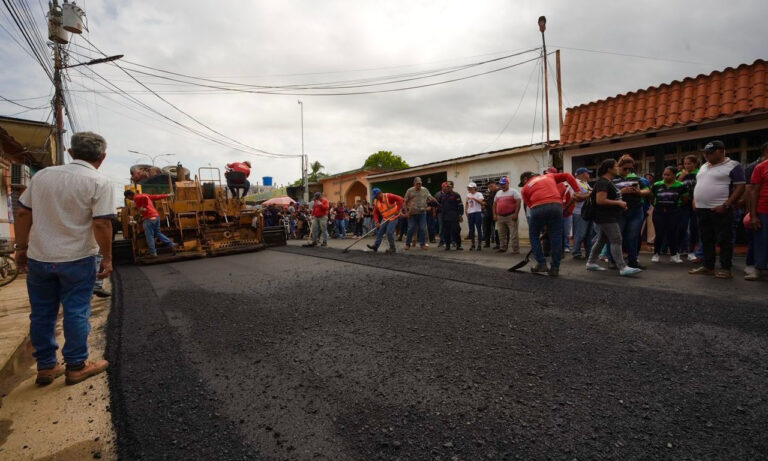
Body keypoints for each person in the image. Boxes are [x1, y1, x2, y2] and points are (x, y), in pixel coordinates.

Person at [13, 132, 113, 386]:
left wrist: (21, 248)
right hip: (77, 258)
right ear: (102, 157)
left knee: (41, 314)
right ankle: (77, 366)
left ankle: (46, 367)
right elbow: (101, 223)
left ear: (70, 152)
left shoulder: (43, 176)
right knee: (76, 311)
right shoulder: (99, 181)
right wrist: (108, 258)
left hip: (39, 257)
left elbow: (23, 213)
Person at [689, 140, 746, 279]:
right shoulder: (704, 166)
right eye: (705, 153)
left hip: (720, 208)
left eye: (709, 153)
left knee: (724, 239)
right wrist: (695, 200)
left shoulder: (733, 165)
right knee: (706, 238)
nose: (706, 156)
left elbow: (740, 187)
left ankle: (726, 268)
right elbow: (700, 185)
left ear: (721, 151)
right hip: (702, 209)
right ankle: (708, 266)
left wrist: (727, 205)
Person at [584, 159, 643, 276]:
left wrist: (620, 204)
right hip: (605, 217)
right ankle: (622, 267)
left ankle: (591, 263)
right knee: (616, 239)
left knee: (602, 240)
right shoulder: (603, 182)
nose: (618, 168)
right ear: (609, 169)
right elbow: (600, 200)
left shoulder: (608, 182)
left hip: (608, 216)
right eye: (616, 166)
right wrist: (619, 203)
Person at [519, 170, 581, 276]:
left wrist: (543, 222)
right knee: (556, 235)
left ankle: (541, 263)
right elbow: (567, 175)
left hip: (538, 207)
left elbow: (530, 205)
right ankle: (555, 268)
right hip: (557, 206)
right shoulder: (549, 176)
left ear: (525, 179)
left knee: (534, 235)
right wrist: (577, 190)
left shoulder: (525, 189)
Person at [613, 155, 651, 269]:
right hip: (619, 211)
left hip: (636, 209)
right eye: (625, 168)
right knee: (617, 237)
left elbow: (647, 190)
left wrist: (639, 192)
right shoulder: (613, 179)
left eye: (630, 169)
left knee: (633, 236)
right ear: (619, 167)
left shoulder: (637, 179)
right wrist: (621, 191)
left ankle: (633, 260)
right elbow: (607, 194)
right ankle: (614, 260)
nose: (628, 171)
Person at [650, 167, 688, 263]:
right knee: (659, 233)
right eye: (664, 174)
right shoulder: (657, 185)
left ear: (674, 175)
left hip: (674, 212)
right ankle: (656, 254)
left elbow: (685, 199)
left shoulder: (681, 185)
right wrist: (657, 205)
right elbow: (651, 197)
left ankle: (674, 254)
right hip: (659, 212)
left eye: (668, 174)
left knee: (673, 233)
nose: (665, 176)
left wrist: (675, 206)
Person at [124, 190, 177, 258]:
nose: (129, 199)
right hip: (156, 216)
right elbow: (156, 197)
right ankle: (172, 244)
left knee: (149, 236)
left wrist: (143, 207)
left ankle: (153, 253)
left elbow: (144, 199)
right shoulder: (144, 195)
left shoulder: (136, 198)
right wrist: (168, 195)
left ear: (129, 195)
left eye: (128, 198)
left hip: (149, 218)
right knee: (158, 233)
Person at [746, 142, 768, 280]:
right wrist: (753, 215)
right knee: (761, 240)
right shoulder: (760, 167)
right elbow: (754, 192)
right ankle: (758, 269)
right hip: (764, 209)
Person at [677, 155, 700, 260]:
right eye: (685, 164)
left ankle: (691, 250)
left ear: (695, 164)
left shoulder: (700, 173)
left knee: (694, 227)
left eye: (689, 163)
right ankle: (683, 248)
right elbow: (675, 185)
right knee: (682, 226)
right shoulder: (680, 174)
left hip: (696, 203)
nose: (687, 166)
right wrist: (682, 177)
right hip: (683, 203)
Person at [367, 188, 404, 253]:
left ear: (380, 193)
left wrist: (398, 209)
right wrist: (377, 222)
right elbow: (375, 212)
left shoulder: (389, 196)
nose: (376, 198)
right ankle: (376, 246)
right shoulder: (376, 201)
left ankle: (392, 248)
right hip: (385, 218)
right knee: (380, 231)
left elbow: (400, 199)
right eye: (375, 197)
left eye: (376, 196)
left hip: (394, 217)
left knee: (389, 232)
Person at [403, 177, 436, 250]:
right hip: (412, 213)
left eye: (420, 183)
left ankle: (422, 244)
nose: (419, 185)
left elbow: (430, 198)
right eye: (417, 184)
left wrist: (434, 202)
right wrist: (406, 212)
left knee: (423, 228)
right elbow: (404, 202)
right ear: (414, 183)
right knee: (411, 228)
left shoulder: (425, 190)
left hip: (422, 212)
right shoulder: (410, 190)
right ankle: (407, 244)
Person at [493, 177, 521, 254]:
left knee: (513, 234)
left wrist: (516, 214)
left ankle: (515, 249)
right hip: (500, 217)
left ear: (508, 183)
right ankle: (502, 248)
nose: (502, 186)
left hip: (511, 216)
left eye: (504, 184)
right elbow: (494, 204)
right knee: (501, 233)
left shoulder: (513, 191)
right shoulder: (498, 193)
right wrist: (495, 214)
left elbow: (518, 202)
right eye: (501, 184)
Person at [571, 167, 594, 259]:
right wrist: (589, 194)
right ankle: (576, 253)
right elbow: (576, 197)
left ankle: (589, 253)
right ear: (583, 174)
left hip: (588, 211)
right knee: (580, 233)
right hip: (579, 211)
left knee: (589, 234)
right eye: (588, 173)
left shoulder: (586, 184)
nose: (589, 175)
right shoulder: (575, 183)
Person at [437, 181, 464, 250]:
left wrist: (460, 215)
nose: (447, 188)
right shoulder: (442, 196)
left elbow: (460, 206)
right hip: (445, 217)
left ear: (452, 187)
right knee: (446, 232)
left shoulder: (456, 195)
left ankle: (459, 245)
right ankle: (447, 245)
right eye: (446, 186)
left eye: (449, 186)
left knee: (456, 231)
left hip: (454, 217)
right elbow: (438, 204)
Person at [465, 182, 485, 251]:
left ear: (474, 188)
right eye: (469, 188)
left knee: (479, 229)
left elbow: (482, 203)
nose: (469, 189)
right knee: (471, 230)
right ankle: (473, 244)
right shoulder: (468, 195)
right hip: (470, 213)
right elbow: (467, 203)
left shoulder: (479, 194)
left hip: (477, 212)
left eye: (471, 188)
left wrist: (474, 199)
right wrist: (466, 210)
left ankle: (479, 244)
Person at [482, 181, 500, 249]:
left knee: (496, 229)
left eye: (491, 186)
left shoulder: (499, 192)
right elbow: (486, 202)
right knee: (487, 228)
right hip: (488, 213)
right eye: (489, 187)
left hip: (496, 213)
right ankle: (487, 243)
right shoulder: (489, 193)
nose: (490, 188)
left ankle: (498, 244)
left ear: (495, 185)